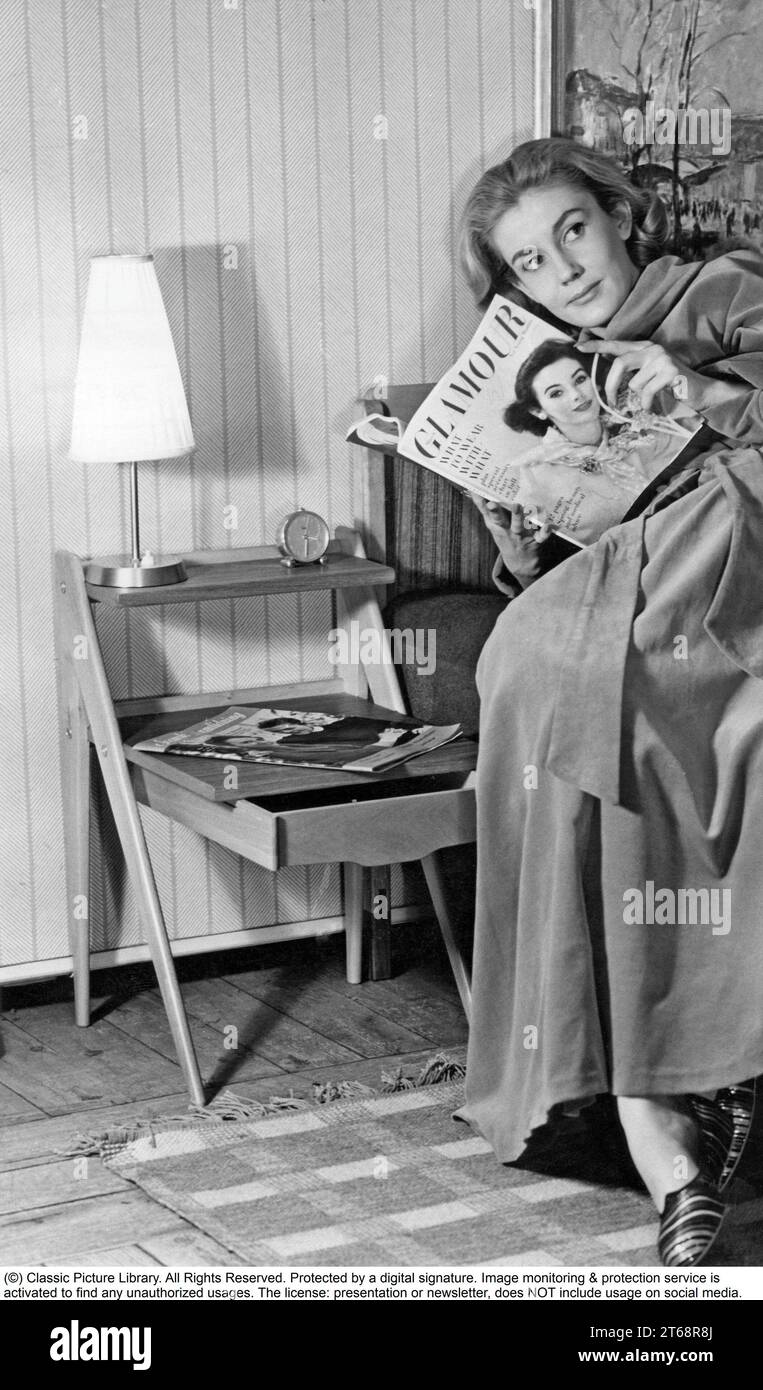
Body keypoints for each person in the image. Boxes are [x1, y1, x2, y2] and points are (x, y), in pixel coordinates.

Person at [456, 135, 761, 1267]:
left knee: (614, 683)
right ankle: (646, 1110)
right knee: (533, 671)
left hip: (739, 551)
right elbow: (546, 542)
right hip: (619, 574)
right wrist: (519, 512)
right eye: (530, 261)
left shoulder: (721, 291)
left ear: (619, 213)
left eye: (572, 230)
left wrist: (698, 391)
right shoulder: (546, 373)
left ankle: (670, 1103)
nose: (565, 269)